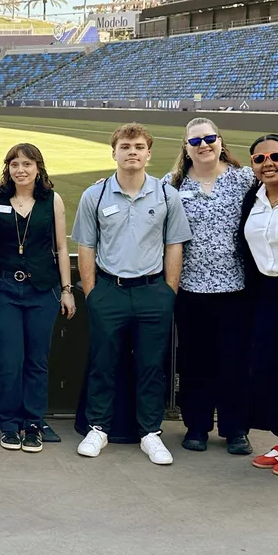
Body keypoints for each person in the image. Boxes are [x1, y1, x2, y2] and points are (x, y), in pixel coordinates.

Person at [72, 123, 191, 465]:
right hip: (110, 290)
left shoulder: (167, 194)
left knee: (151, 365)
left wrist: (168, 291)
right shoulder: (94, 195)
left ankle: (150, 433)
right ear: (114, 152)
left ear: (149, 153)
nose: (132, 152)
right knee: (103, 362)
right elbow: (87, 246)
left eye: (139, 146)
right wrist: (92, 292)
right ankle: (98, 427)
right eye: (125, 147)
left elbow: (174, 245)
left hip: (153, 291)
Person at [165, 118, 256, 456]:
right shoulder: (172, 185)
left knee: (235, 361)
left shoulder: (245, 178)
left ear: (220, 141)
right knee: (195, 362)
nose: (203, 145)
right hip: (190, 290)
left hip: (236, 289)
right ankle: (197, 426)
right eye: (196, 141)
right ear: (186, 148)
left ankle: (235, 430)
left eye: (209, 138)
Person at [0, 143, 74, 452]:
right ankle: (10, 424)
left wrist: (67, 290)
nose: (20, 170)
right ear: (7, 169)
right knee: (10, 361)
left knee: (37, 361)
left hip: (43, 290)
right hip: (5, 289)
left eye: (27, 164)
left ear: (38, 168)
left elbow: (61, 247)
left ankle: (34, 423)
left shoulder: (53, 201)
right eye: (14, 164)